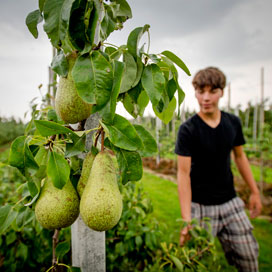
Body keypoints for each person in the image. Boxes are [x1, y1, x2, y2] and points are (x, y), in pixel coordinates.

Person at [175, 67, 262, 272]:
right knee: (195, 262)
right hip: (201, 207)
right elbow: (183, 174)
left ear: (222, 91)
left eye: (212, 91)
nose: (205, 98)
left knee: (249, 258)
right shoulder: (188, 129)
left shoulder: (233, 123)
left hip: (231, 203)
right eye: (200, 91)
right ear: (195, 92)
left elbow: (240, 157)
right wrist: (187, 219)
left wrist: (255, 191)